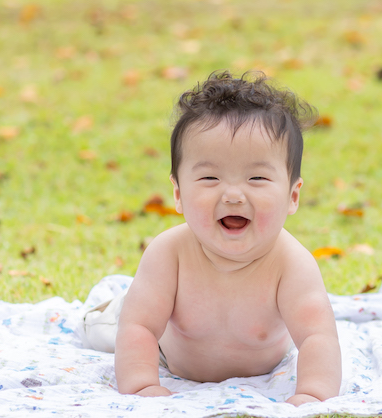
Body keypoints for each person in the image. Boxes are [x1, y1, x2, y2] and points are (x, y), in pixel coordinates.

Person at [113, 70, 341, 406]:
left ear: (293, 196)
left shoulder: (291, 264)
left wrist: (312, 394)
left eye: (257, 177)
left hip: (264, 369)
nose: (233, 195)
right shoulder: (170, 254)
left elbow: (317, 337)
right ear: (178, 193)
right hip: (173, 363)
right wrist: (142, 386)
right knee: (113, 324)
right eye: (209, 177)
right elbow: (140, 327)